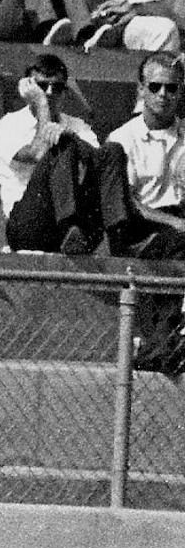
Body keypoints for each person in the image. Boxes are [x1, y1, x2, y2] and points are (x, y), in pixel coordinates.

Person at [100, 51, 185, 373]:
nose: (163, 94)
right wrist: (174, 222)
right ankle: (160, 345)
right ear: (140, 90)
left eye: (172, 88)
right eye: (155, 86)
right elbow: (128, 203)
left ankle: (163, 345)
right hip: (140, 230)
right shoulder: (123, 139)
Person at [0, 52, 103, 253]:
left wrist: (71, 137)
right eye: (42, 87)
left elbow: (98, 163)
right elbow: (37, 153)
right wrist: (42, 106)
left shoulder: (78, 126)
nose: (50, 93)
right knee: (63, 146)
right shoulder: (7, 125)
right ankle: (69, 226)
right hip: (28, 225)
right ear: (29, 88)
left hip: (73, 227)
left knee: (112, 151)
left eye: (57, 87)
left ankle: (81, 231)